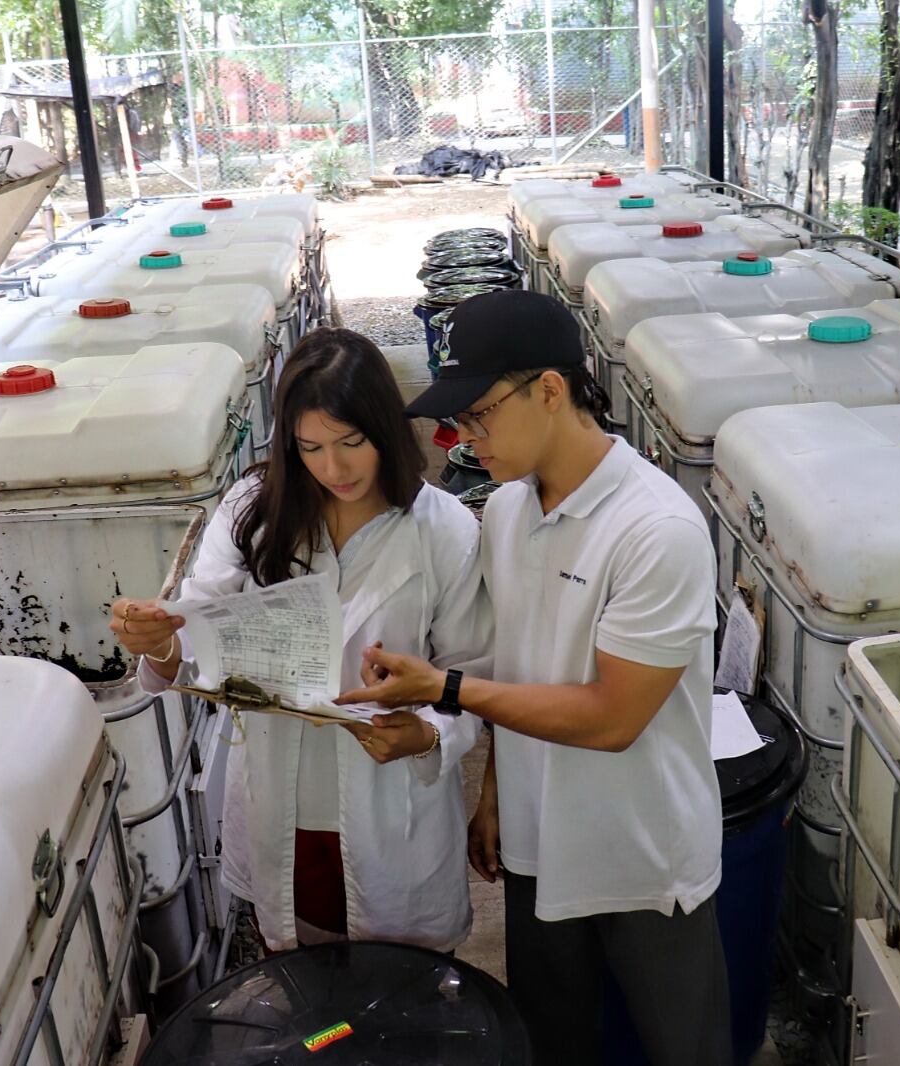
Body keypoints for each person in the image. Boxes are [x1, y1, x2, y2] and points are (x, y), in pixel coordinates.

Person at [339, 290, 732, 1065]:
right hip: (537, 843)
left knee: (685, 1049)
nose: (461, 436)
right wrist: (493, 794)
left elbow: (614, 719)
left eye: (479, 413)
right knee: (550, 1043)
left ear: (550, 391)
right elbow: (519, 660)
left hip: (641, 859)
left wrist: (443, 690)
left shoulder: (656, 530)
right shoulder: (513, 509)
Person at [109, 327, 489, 952]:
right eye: (310, 447)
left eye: (351, 442)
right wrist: (158, 638)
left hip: (391, 797)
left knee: (402, 994)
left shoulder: (440, 529)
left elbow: (471, 671)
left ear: (386, 430)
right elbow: (199, 632)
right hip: (284, 801)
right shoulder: (255, 509)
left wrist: (427, 731)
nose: (333, 468)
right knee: (307, 997)